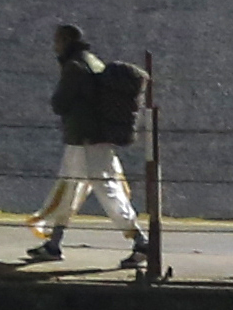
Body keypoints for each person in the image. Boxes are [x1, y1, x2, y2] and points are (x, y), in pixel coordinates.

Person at [22, 22, 148, 268]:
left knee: (106, 191)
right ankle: (53, 244)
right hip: (92, 138)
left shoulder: (75, 66)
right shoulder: (93, 62)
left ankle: (141, 243)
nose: (54, 46)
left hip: (85, 139)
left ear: (67, 41)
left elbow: (59, 103)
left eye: (57, 41)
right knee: (70, 189)